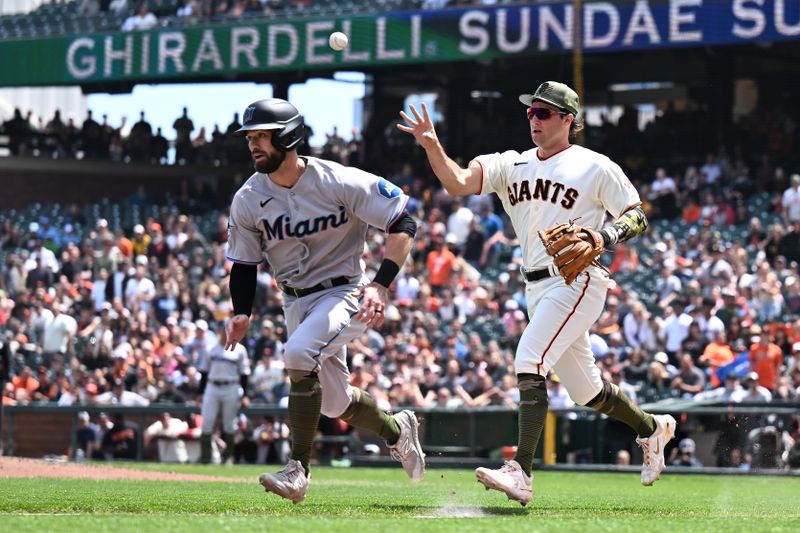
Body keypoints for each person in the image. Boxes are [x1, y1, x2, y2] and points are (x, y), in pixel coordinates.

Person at [398, 81, 675, 506]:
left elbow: (637, 216)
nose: (534, 119)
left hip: (577, 279)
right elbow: (456, 182)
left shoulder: (595, 166)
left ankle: (521, 471)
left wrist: (602, 236)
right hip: (535, 284)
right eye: (531, 112)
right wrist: (432, 145)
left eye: (544, 113)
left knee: (530, 359)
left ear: (569, 120)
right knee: (587, 392)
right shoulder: (512, 164)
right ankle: (652, 429)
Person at [224, 98, 425, 504]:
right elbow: (244, 263)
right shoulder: (248, 198)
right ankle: (397, 430)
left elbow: (402, 218)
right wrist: (241, 311)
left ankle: (297, 469)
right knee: (334, 403)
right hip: (295, 301)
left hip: (344, 290)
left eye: (263, 135)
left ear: (288, 136)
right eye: (250, 137)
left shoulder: (336, 179)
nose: (254, 145)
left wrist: (381, 284)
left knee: (298, 355)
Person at [197, 328, 251, 465]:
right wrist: (199, 393)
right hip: (212, 386)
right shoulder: (211, 349)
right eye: (223, 331)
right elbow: (204, 373)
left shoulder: (239, 349)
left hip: (231, 386)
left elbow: (244, 374)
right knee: (207, 422)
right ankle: (205, 458)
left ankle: (228, 457)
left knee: (229, 424)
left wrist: (245, 395)